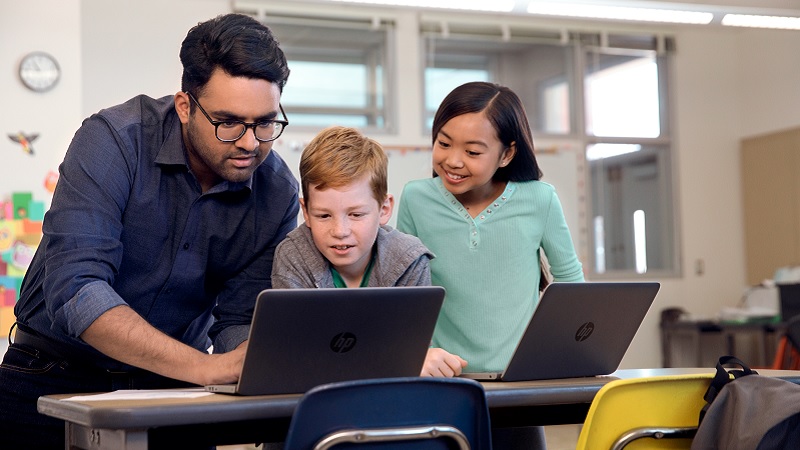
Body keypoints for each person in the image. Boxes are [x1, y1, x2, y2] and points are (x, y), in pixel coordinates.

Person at [0, 13, 299, 449]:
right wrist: (204, 368)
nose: (250, 143)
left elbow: (239, 320)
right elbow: (78, 289)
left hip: (171, 390)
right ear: (184, 106)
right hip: (50, 375)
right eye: (229, 122)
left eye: (265, 122)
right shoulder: (114, 140)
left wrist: (247, 358)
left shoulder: (277, 193)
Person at [397, 81, 584, 449]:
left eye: (472, 151)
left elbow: (571, 284)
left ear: (506, 154)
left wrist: (572, 352)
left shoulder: (540, 199)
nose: (452, 160)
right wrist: (415, 354)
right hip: (443, 384)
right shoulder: (416, 199)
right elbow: (405, 291)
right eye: (444, 142)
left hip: (519, 386)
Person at [272, 125, 433, 290]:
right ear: (306, 212)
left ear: (383, 210)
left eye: (356, 214)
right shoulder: (293, 256)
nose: (340, 232)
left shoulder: (410, 260)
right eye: (324, 216)